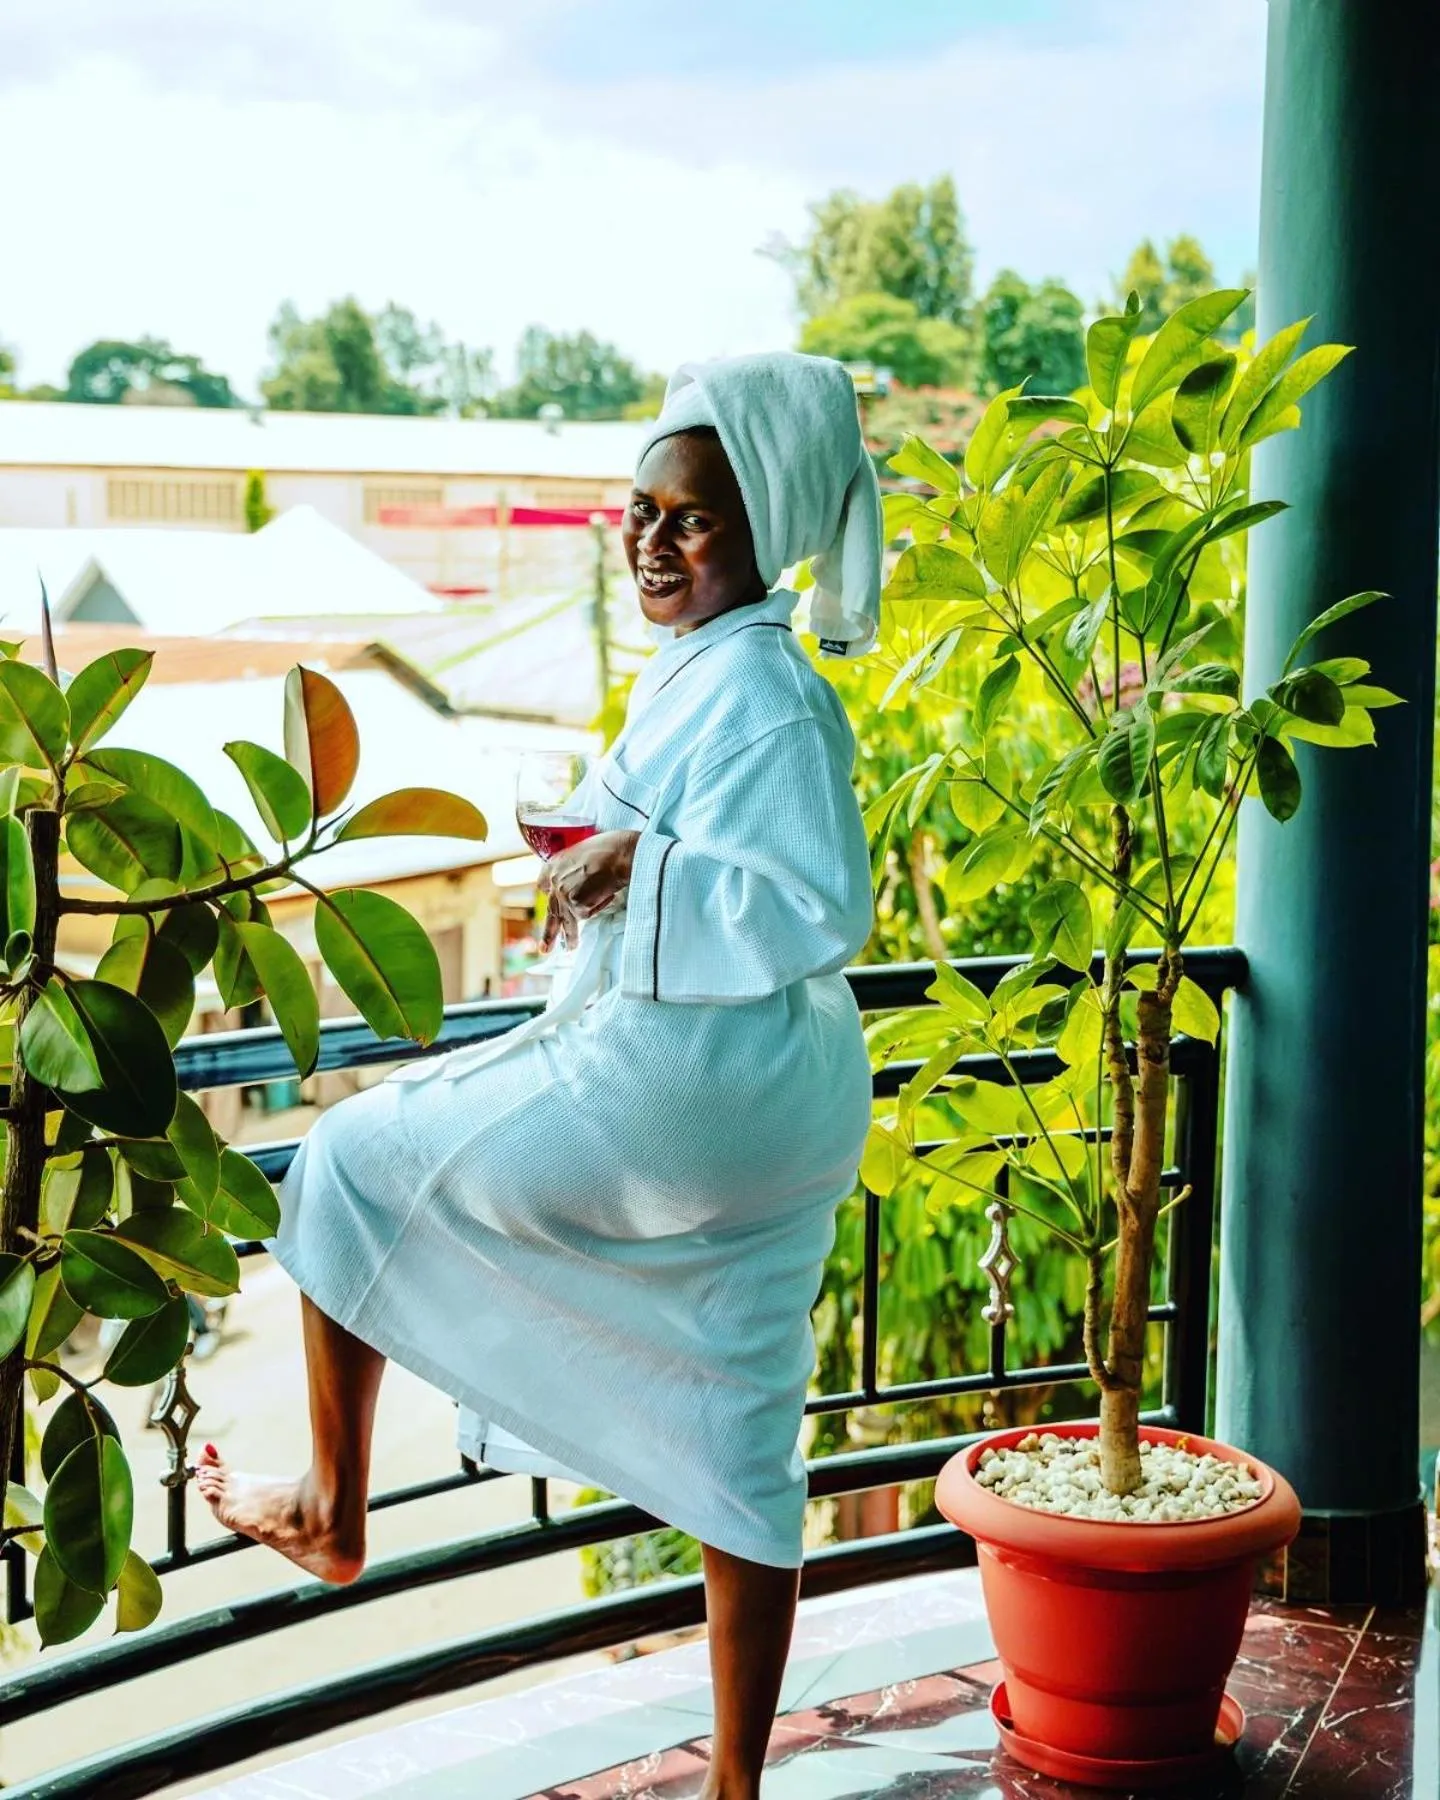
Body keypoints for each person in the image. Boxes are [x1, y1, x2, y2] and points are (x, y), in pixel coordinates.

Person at [195, 350, 883, 1800]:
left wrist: (639, 867)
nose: (652, 542)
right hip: (784, 1104)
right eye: (640, 512)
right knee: (743, 1414)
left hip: (687, 1086)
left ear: (765, 529)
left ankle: (329, 1507)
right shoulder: (717, 671)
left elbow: (816, 903)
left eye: (691, 519)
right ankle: (738, 1784)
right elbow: (688, 860)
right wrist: (617, 861)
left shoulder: (766, 690)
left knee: (348, 1161)